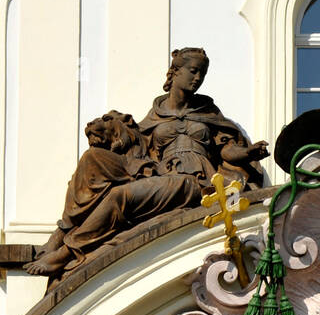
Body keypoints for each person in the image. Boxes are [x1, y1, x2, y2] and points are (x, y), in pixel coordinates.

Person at [25, 110, 200, 282]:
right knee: (90, 158)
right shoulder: (155, 117)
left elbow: (228, 156)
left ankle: (66, 252)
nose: (195, 80)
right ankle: (63, 231)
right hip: (159, 173)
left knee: (118, 195)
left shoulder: (210, 116)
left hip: (188, 183)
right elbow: (136, 140)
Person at [138, 47, 268, 190]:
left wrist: (248, 153)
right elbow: (137, 149)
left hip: (201, 178)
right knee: (120, 195)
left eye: (203, 73)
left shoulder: (208, 112)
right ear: (175, 71)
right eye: (193, 71)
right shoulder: (156, 114)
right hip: (166, 175)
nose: (198, 78)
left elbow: (226, 151)